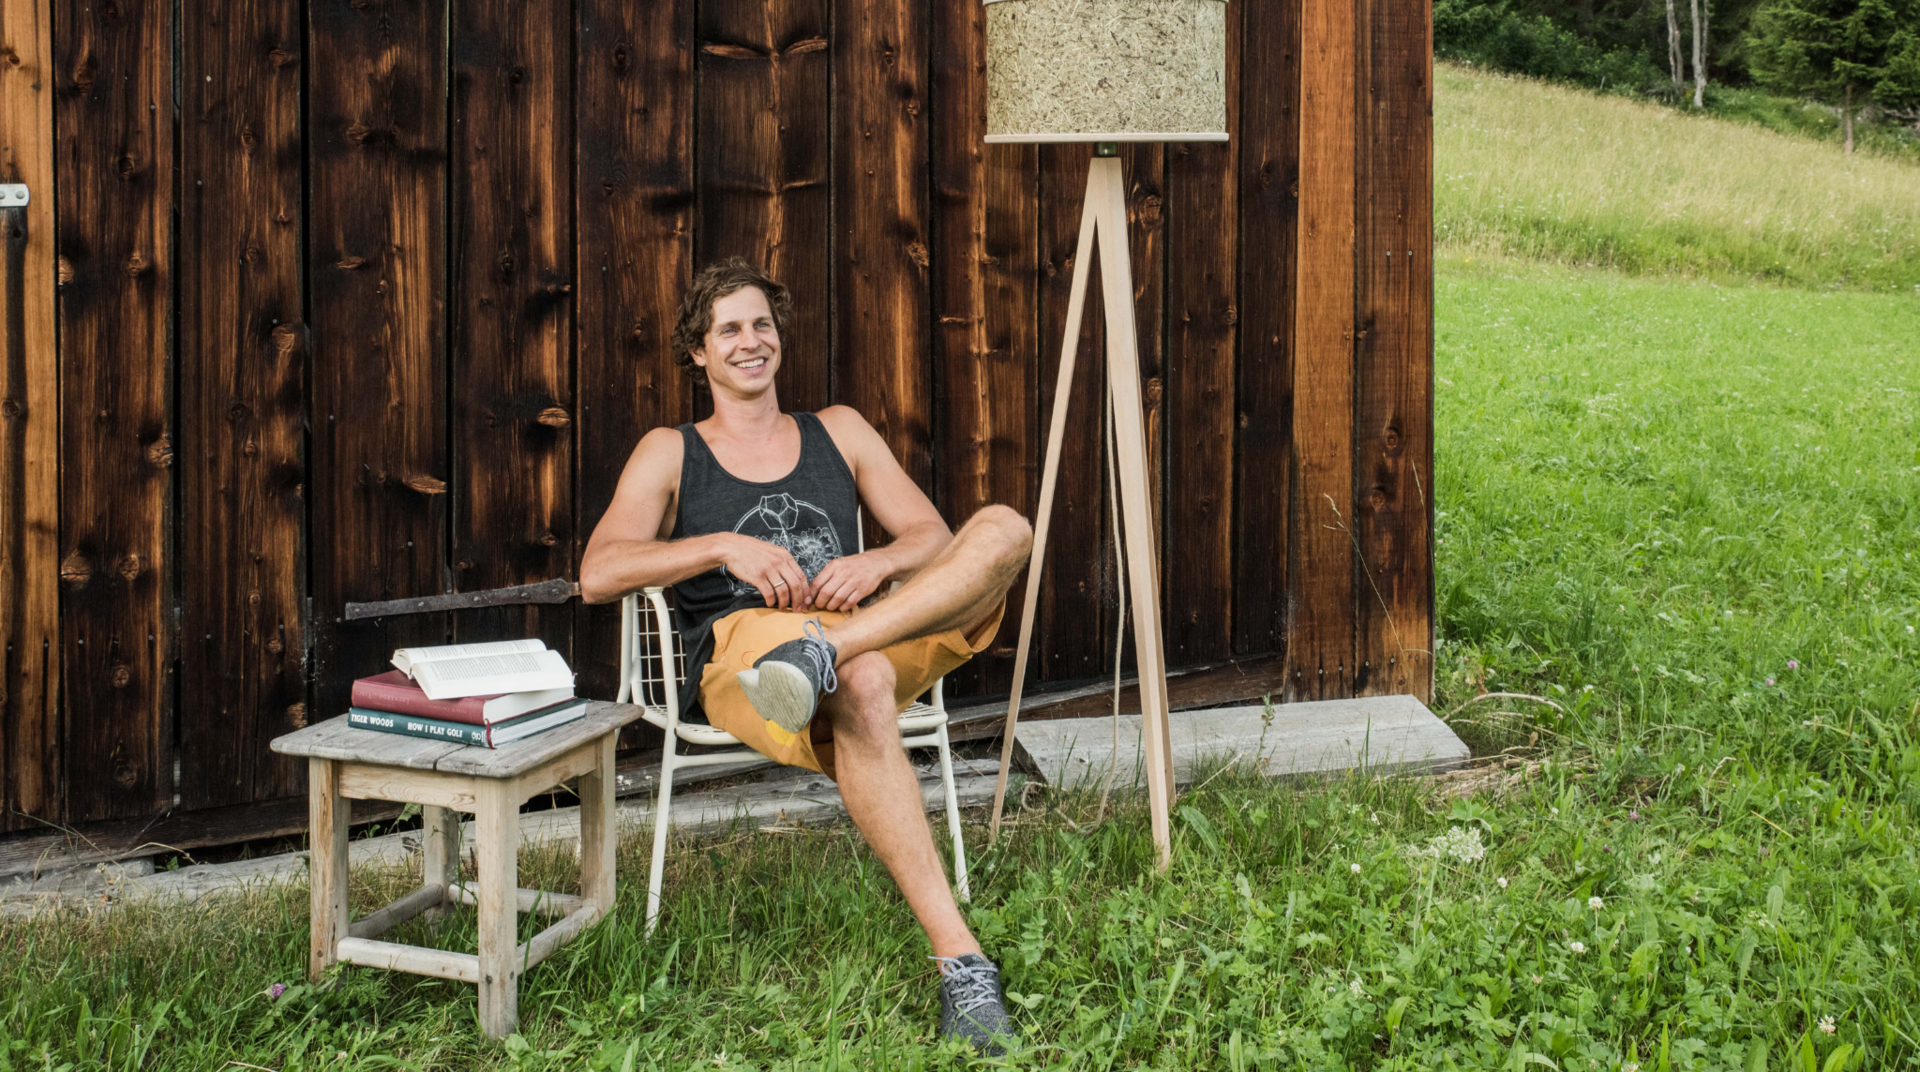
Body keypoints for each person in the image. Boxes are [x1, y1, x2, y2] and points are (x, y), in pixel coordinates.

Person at [579, 258, 1031, 1053]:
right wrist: (720, 546)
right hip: (741, 650)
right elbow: (598, 572)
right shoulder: (671, 451)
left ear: (778, 335)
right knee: (859, 680)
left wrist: (878, 563)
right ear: (698, 352)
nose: (749, 342)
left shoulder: (840, 430)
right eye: (728, 330)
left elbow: (930, 536)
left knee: (1005, 528)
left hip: (865, 626)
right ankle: (962, 963)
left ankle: (829, 652)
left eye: (761, 324)